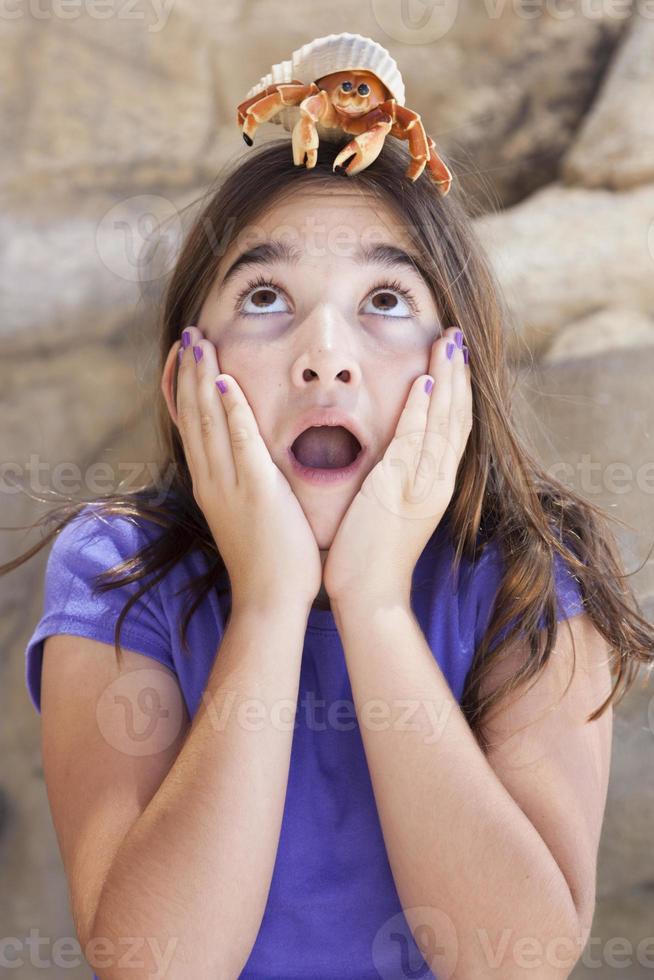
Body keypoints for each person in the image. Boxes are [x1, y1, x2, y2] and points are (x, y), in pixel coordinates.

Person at [8, 137, 653, 979]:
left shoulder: (530, 573)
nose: (325, 357)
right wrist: (271, 603)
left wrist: (376, 605)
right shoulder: (116, 569)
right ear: (185, 385)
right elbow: (159, 965)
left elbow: (515, 962)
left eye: (385, 298)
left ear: (458, 371)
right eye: (265, 295)